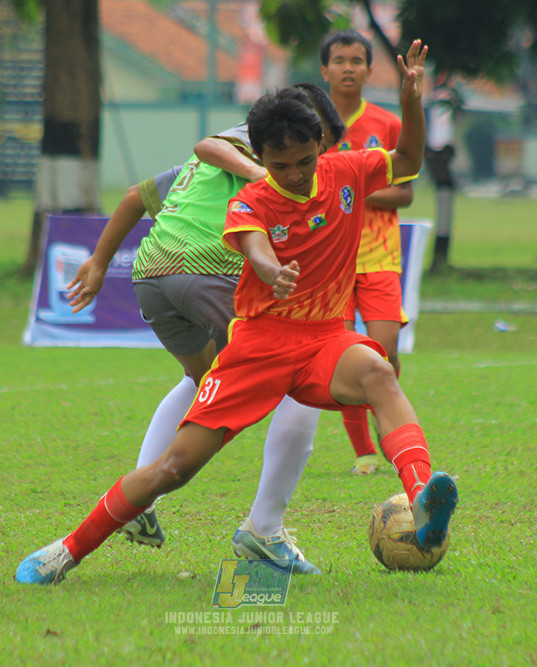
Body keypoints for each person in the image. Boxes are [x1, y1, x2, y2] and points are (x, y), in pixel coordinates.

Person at [15, 39, 459, 586]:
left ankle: (421, 502)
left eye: (303, 161)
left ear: (321, 145)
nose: (294, 174)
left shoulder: (348, 171)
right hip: (259, 345)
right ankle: (66, 550)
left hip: (323, 340)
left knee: (378, 371)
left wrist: (412, 100)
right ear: (258, 158)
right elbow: (252, 244)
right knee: (173, 469)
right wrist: (271, 270)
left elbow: (410, 162)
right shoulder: (251, 201)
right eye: (279, 165)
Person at [63, 84, 345, 575]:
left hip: (152, 271)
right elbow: (210, 144)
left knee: (202, 382)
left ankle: (141, 503)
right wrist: (267, 176)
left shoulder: (217, 169)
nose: (301, 170)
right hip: (208, 268)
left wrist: (100, 262)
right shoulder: (266, 157)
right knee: (298, 377)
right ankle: (265, 529)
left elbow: (136, 196)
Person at [320, 30, 416, 475]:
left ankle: (387, 418)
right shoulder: (311, 130)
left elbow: (404, 195)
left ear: (368, 69)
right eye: (339, 60)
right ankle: (364, 451)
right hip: (332, 261)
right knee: (344, 354)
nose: (347, 68)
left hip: (379, 256)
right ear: (325, 70)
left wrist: (356, 186)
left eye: (356, 61)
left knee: (384, 350)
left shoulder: (386, 124)